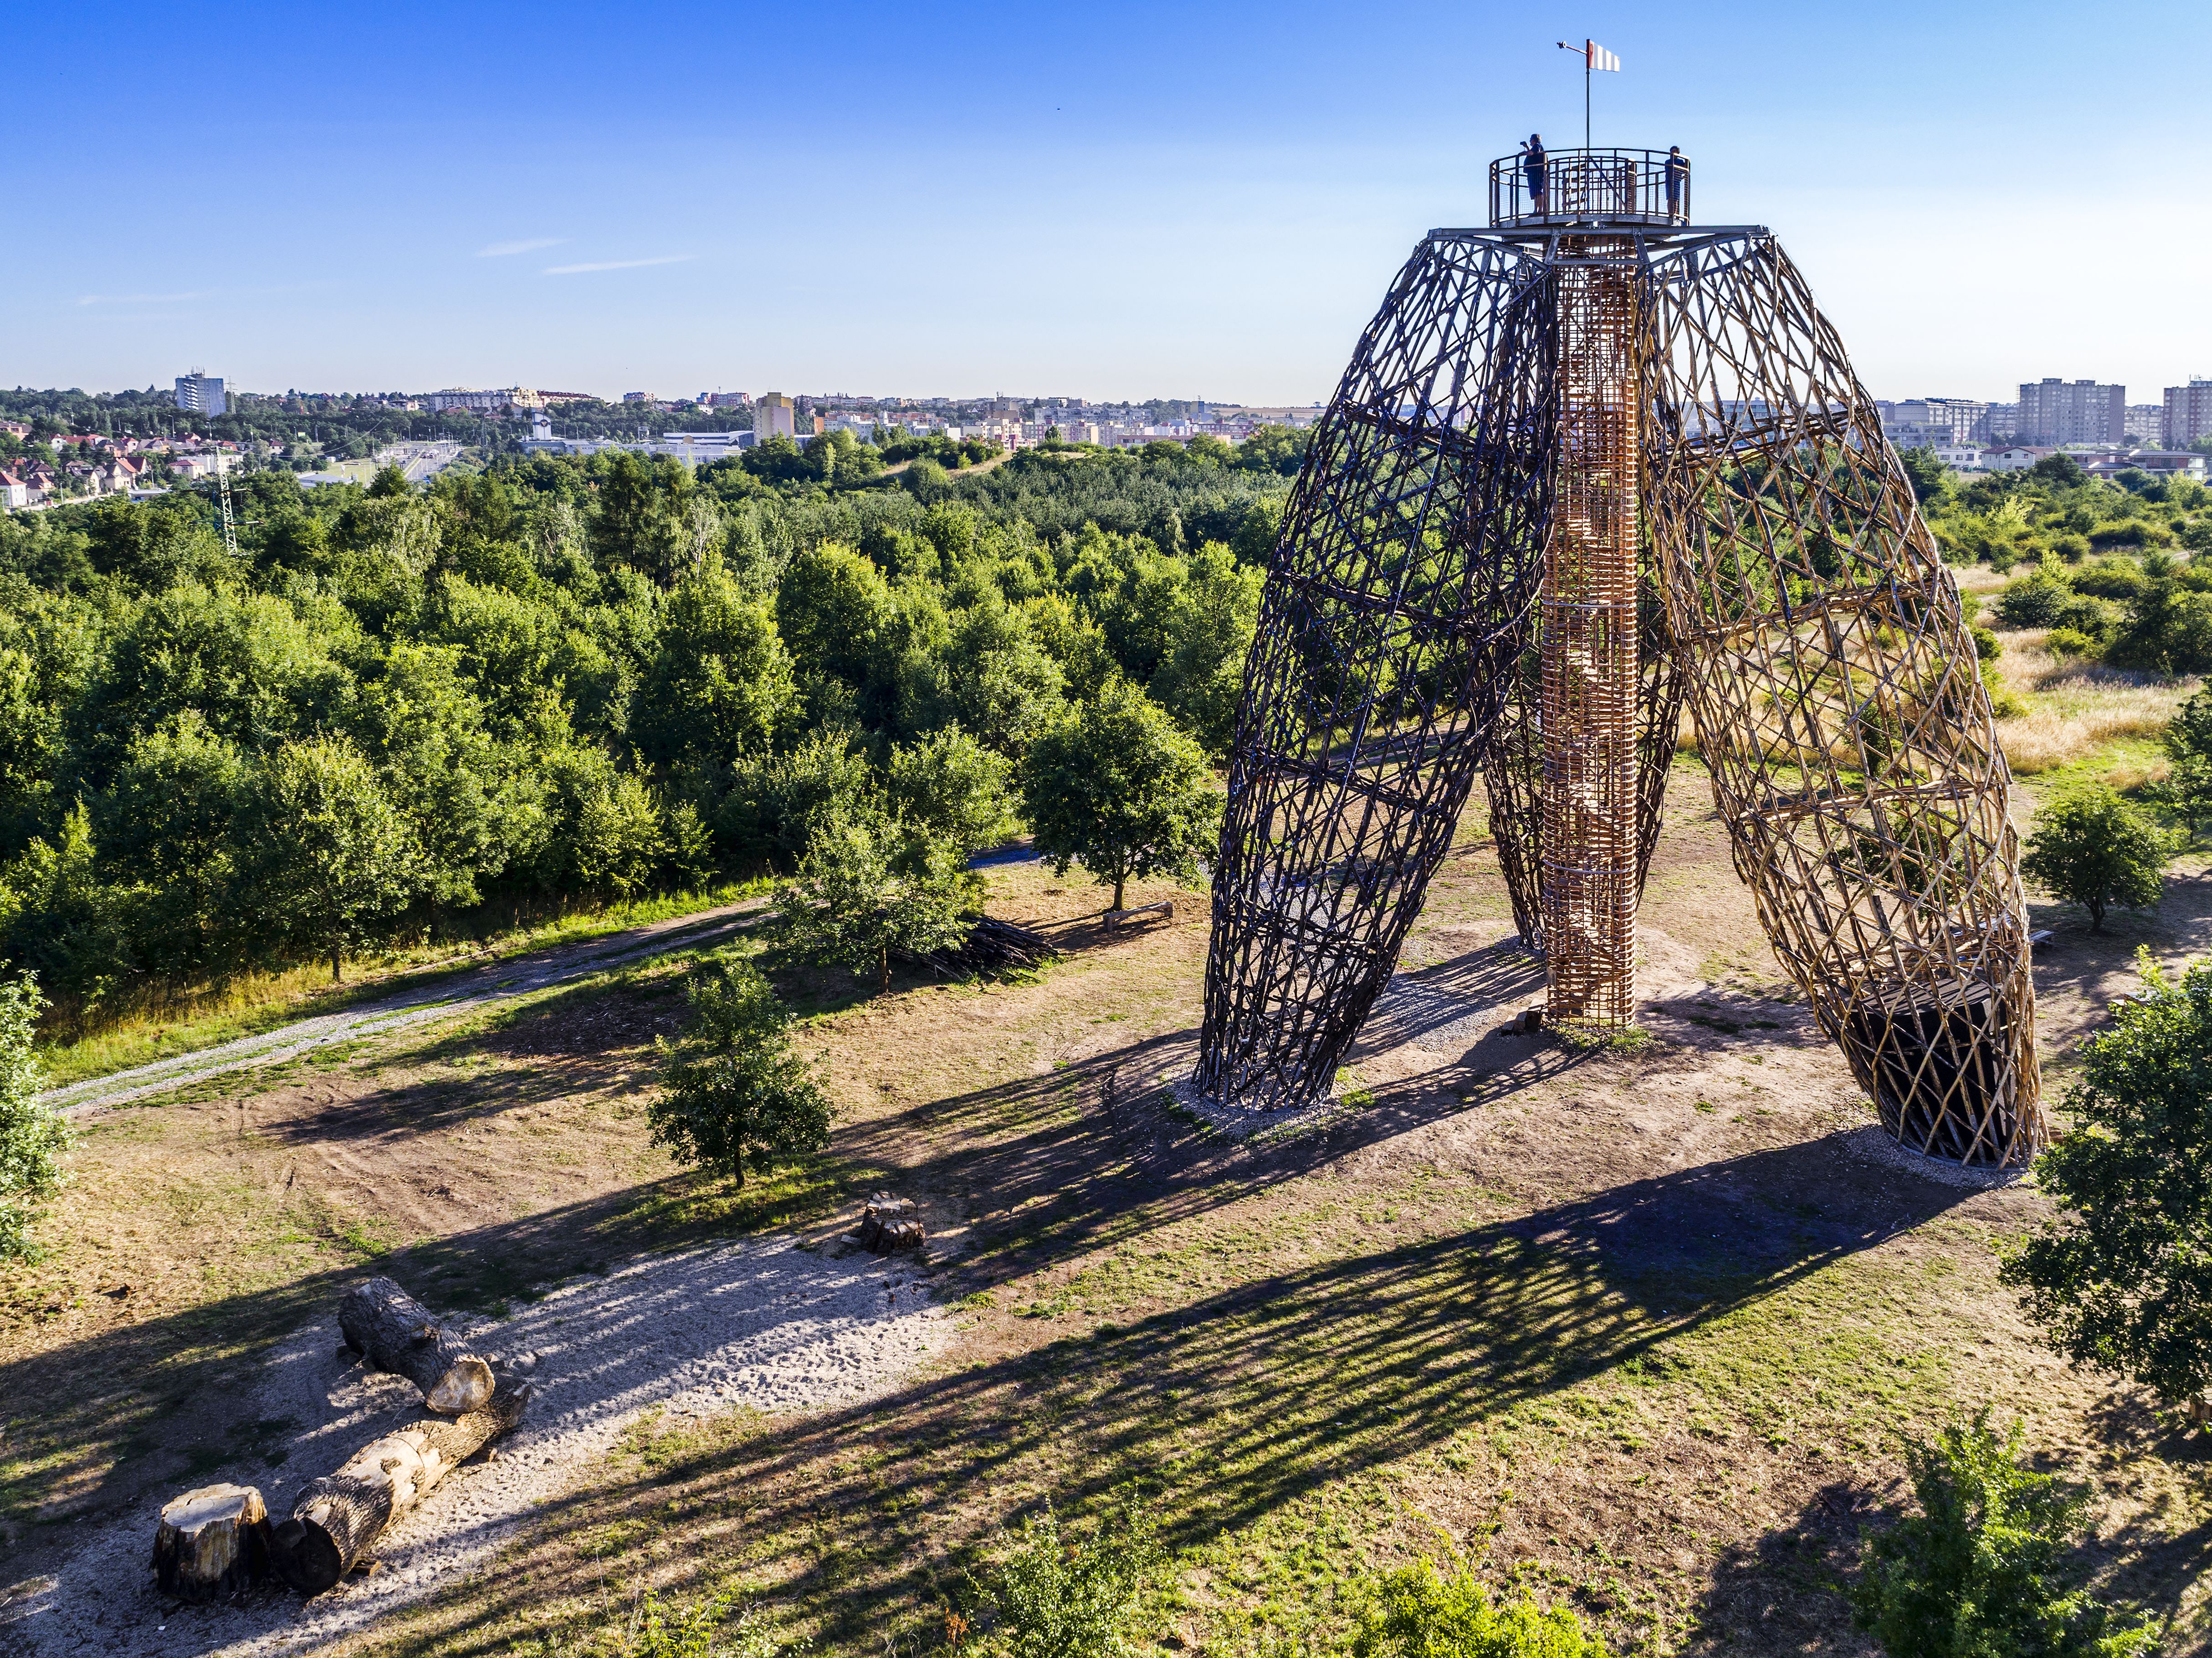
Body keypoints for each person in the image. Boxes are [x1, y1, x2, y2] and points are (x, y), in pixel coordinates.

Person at [1522, 134, 1549, 216]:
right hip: (1534, 173)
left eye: (1531, 139)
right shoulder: (1536, 147)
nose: (1530, 141)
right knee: (1536, 192)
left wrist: (1523, 153)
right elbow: (1533, 154)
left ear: (1533, 140)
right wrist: (1527, 147)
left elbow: (1531, 153)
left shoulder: (1537, 146)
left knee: (1538, 192)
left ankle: (1539, 210)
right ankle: (1536, 210)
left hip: (1536, 173)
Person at [1665, 145, 1690, 219]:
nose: (1673, 153)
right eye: (1672, 152)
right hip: (1669, 182)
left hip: (1677, 182)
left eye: (1674, 151)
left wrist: (1682, 174)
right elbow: (1668, 171)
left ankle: (1674, 214)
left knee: (1675, 199)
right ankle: (1670, 214)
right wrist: (1678, 172)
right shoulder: (1668, 162)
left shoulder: (1680, 162)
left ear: (1678, 153)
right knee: (1670, 198)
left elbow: (1684, 170)